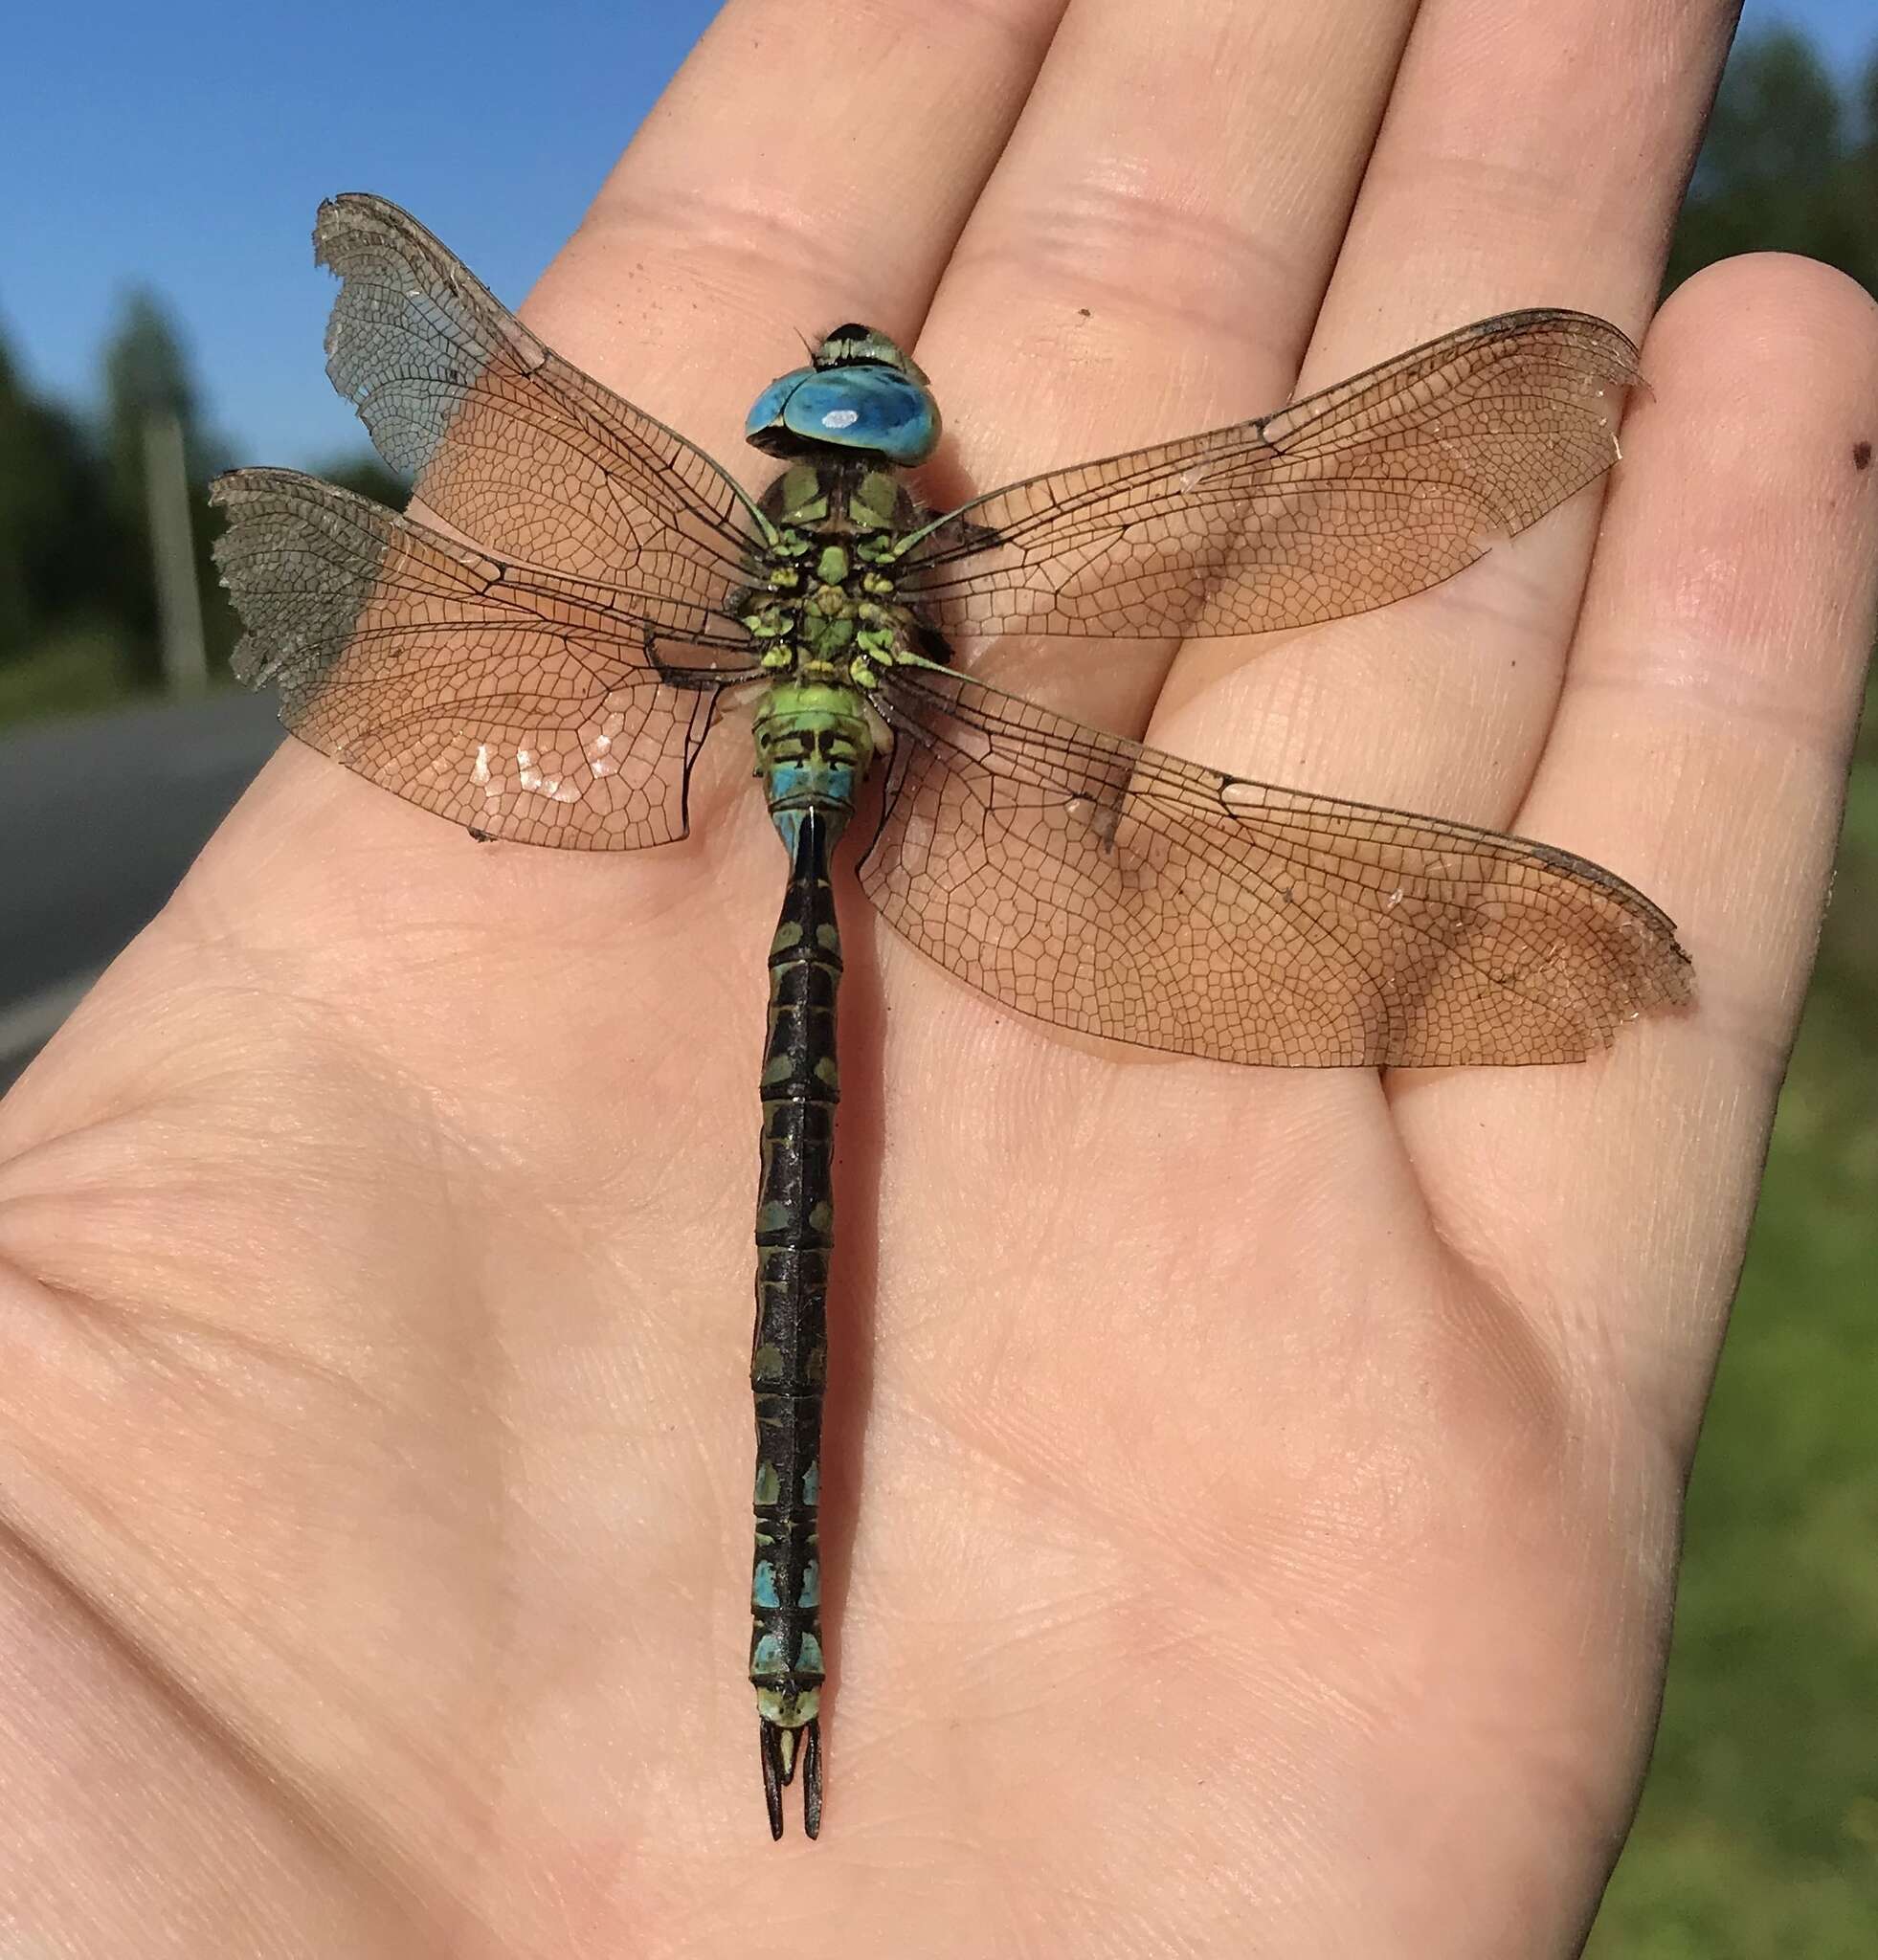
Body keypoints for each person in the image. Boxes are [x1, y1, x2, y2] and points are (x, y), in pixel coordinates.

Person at [2, 0, 1874, 1949]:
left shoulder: (727, 564)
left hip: (796, 813)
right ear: (888, 484)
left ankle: (778, 1648)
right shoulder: (934, 590)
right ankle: (792, 1650)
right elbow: (1259, 504)